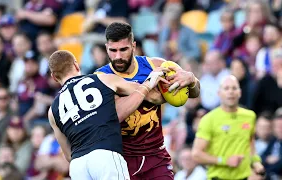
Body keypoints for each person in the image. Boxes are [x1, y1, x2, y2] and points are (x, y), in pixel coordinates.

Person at [95, 22, 200, 179]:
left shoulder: (154, 64)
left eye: (123, 49)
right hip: (122, 159)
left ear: (133, 46)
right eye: (113, 50)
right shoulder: (100, 78)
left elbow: (194, 93)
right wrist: (147, 89)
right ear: (106, 48)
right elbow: (117, 114)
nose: (118, 56)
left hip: (156, 155)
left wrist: (191, 79)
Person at [47, 50, 168, 179]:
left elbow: (68, 155)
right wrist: (152, 82)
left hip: (78, 166)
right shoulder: (102, 78)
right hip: (105, 154)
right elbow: (148, 96)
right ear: (76, 65)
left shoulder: (52, 111)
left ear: (54, 77)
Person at [192, 75, 265, 179]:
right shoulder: (209, 119)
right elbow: (196, 154)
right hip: (218, 177)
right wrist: (225, 160)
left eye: (234, 88)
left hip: (243, 177)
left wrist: (256, 162)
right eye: (226, 88)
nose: (231, 92)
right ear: (219, 93)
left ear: (240, 92)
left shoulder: (250, 116)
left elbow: (250, 144)